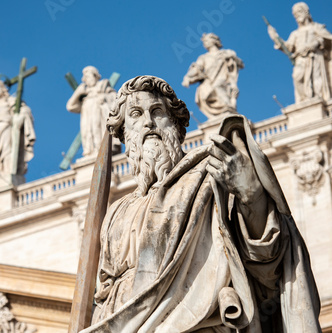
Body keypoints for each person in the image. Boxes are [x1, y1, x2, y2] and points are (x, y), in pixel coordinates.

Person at [82, 76, 320, 332]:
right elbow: (103, 294)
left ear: (175, 123)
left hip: (197, 323)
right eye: (136, 114)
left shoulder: (211, 173)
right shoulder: (116, 212)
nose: (148, 122)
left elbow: (267, 260)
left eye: (157, 111)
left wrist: (250, 193)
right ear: (124, 133)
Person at [267, 2, 332, 103]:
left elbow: (328, 39)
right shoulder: (295, 34)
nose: (297, 16)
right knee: (297, 77)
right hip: (300, 59)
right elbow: (287, 47)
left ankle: (317, 100)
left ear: (306, 13)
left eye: (299, 12)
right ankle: (304, 101)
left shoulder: (316, 27)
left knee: (316, 80)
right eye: (295, 14)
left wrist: (317, 42)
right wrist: (275, 37)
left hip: (315, 57)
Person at [182, 33, 244, 119]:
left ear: (214, 40)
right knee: (203, 93)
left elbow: (240, 64)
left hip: (223, 79)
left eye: (207, 40)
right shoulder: (203, 57)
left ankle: (228, 107)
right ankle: (222, 113)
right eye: (204, 42)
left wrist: (231, 57)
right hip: (209, 80)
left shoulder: (226, 53)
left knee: (217, 86)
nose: (205, 43)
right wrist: (188, 77)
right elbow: (196, 68)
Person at [67, 66, 119, 156]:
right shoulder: (84, 94)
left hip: (100, 115)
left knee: (98, 129)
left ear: (95, 76)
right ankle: (91, 151)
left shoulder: (103, 86)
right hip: (87, 118)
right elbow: (70, 106)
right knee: (88, 132)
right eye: (85, 78)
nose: (85, 80)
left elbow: (116, 99)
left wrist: (104, 97)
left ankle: (100, 149)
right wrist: (78, 93)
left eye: (87, 77)